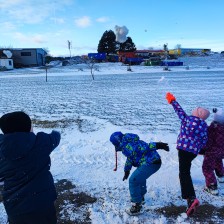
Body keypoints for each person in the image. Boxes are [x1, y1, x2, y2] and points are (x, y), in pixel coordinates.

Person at [0, 111, 61, 224]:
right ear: (29, 129)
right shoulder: (41, 142)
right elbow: (56, 137)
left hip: (15, 206)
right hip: (43, 204)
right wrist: (55, 131)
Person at [166, 92, 210, 216]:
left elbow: (178, 110)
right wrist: (201, 150)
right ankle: (188, 191)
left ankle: (190, 198)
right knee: (186, 168)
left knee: (184, 172)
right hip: (193, 152)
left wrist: (172, 100)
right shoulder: (204, 126)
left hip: (184, 149)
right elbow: (204, 141)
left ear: (195, 114)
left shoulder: (187, 119)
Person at [110, 131, 169, 215]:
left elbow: (145, 147)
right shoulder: (126, 144)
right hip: (149, 162)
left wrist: (158, 145)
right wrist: (127, 170)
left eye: (114, 143)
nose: (114, 146)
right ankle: (140, 197)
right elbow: (130, 158)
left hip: (151, 162)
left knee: (133, 180)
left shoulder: (128, 145)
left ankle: (137, 205)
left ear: (117, 142)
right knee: (139, 178)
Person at [201, 108, 224, 195]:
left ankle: (212, 186)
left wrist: (203, 149)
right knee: (218, 161)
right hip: (221, 152)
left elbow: (208, 141)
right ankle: (221, 175)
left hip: (211, 152)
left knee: (207, 168)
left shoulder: (213, 128)